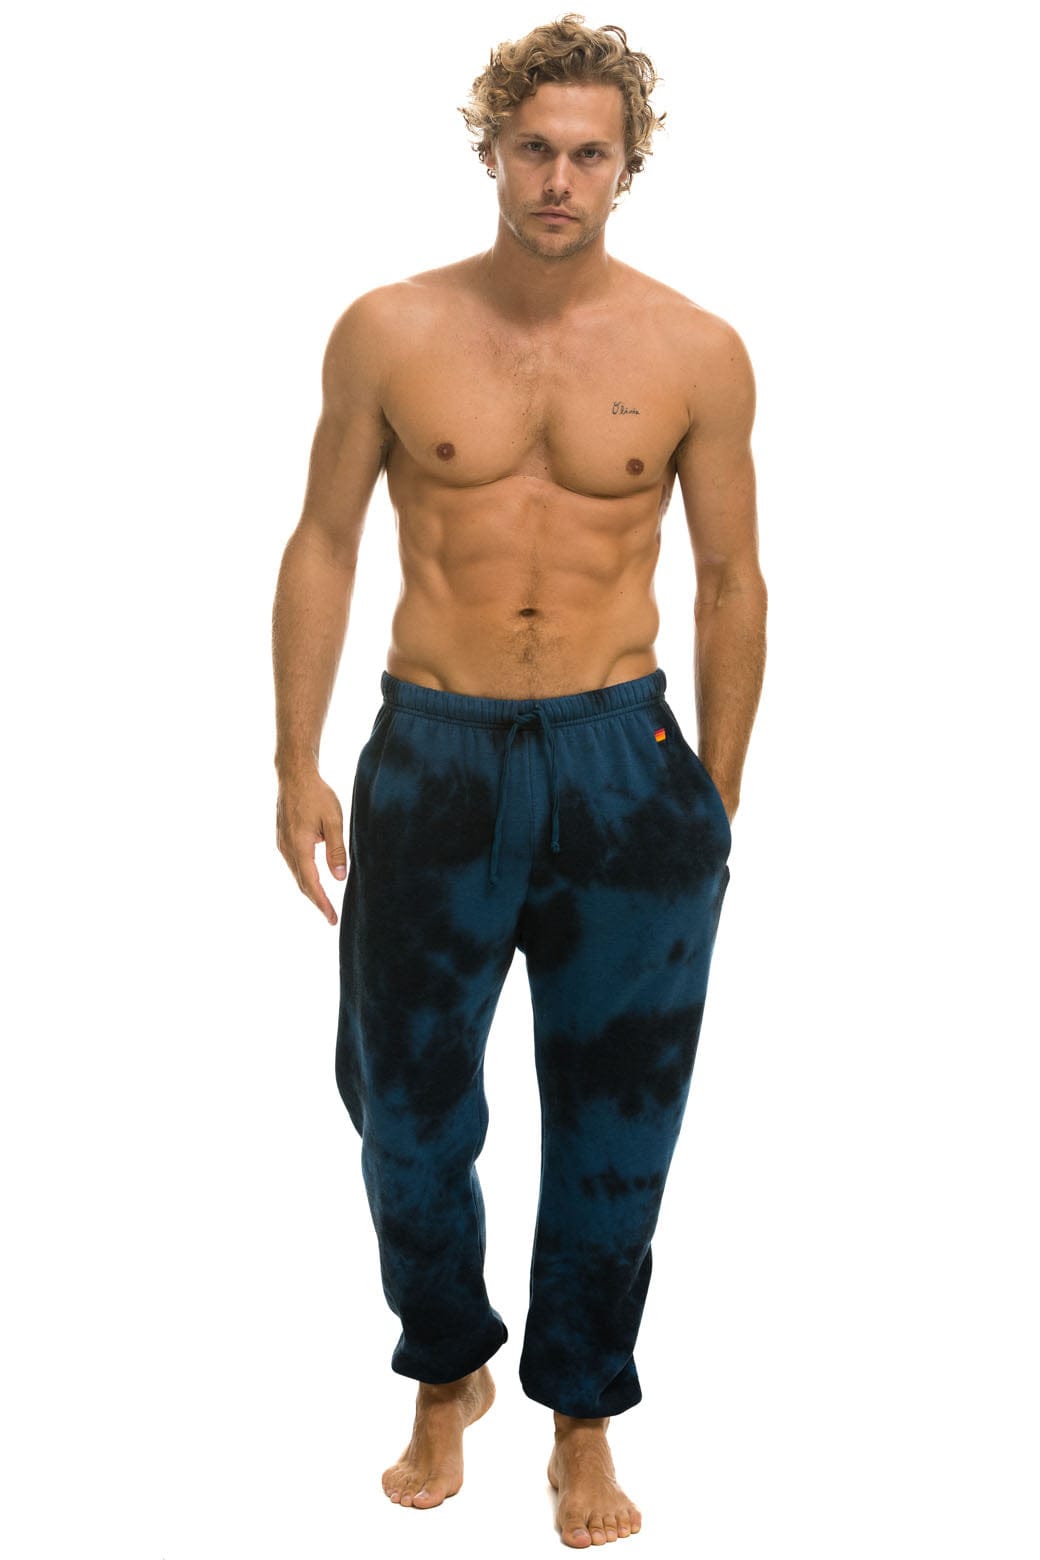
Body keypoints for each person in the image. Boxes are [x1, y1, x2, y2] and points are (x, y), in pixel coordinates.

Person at [272, 13, 767, 1548]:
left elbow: (733, 579)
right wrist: (295, 758)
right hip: (433, 753)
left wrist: (713, 796)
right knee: (403, 1107)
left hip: (629, 764)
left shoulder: (696, 349)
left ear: (628, 166)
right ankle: (447, 1369)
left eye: (589, 155)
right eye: (535, 148)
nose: (561, 178)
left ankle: (582, 1414)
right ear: (491, 150)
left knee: (622, 1115)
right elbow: (326, 542)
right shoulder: (390, 329)